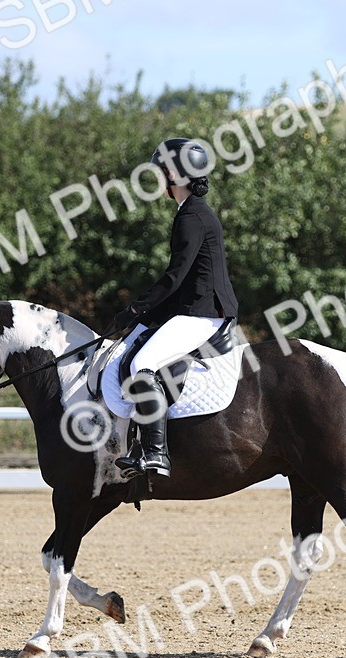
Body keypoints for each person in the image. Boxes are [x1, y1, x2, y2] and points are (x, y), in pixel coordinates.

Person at [105, 138, 240, 478]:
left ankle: (154, 453)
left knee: (142, 363)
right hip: (199, 308)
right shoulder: (193, 213)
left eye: (162, 171)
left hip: (204, 313)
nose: (160, 179)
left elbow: (175, 278)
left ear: (176, 175)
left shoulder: (191, 217)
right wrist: (145, 318)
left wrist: (134, 310)